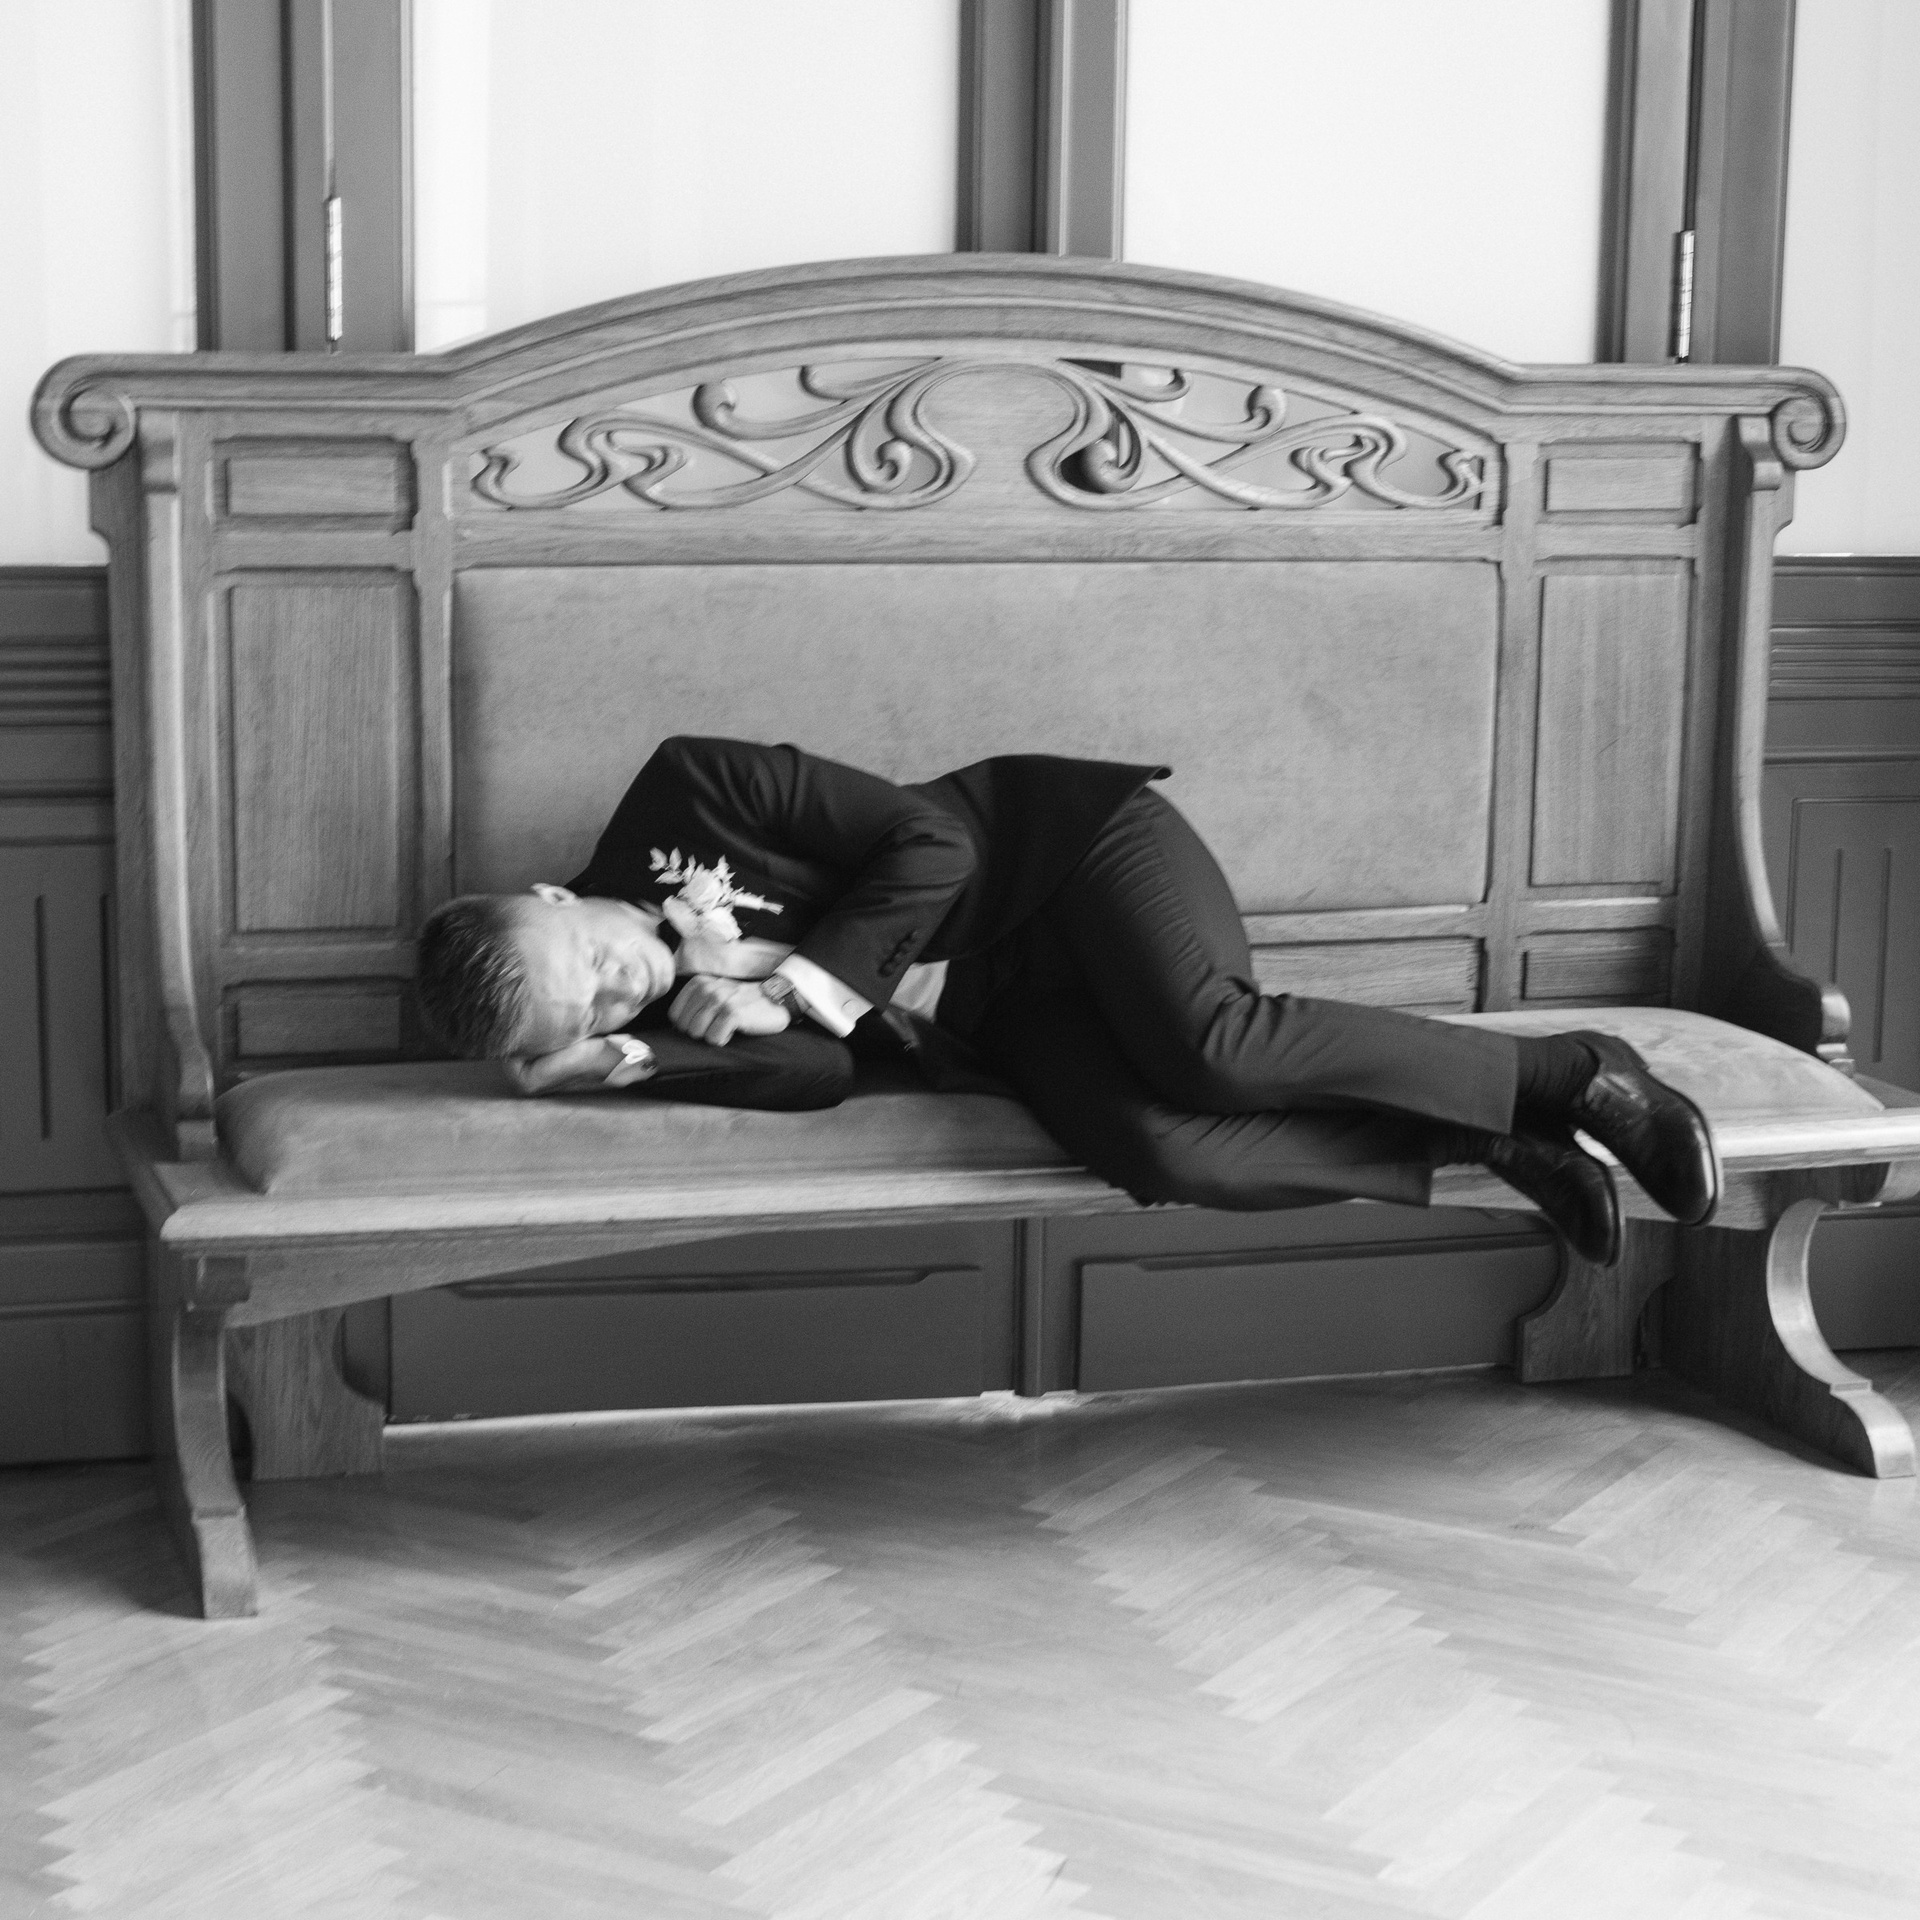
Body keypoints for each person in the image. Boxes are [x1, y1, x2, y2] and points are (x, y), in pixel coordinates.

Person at [414, 735, 1720, 1267]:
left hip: (1070, 863)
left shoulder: (688, 788)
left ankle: (1573, 1073)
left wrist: (800, 984)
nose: (621, 987)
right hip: (998, 1007)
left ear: (552, 892)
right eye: (592, 1013)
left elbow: (934, 843)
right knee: (1165, 1151)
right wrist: (642, 1065)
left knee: (1209, 1049)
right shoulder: (652, 1028)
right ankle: (1486, 1141)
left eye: (587, 960)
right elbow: (825, 1079)